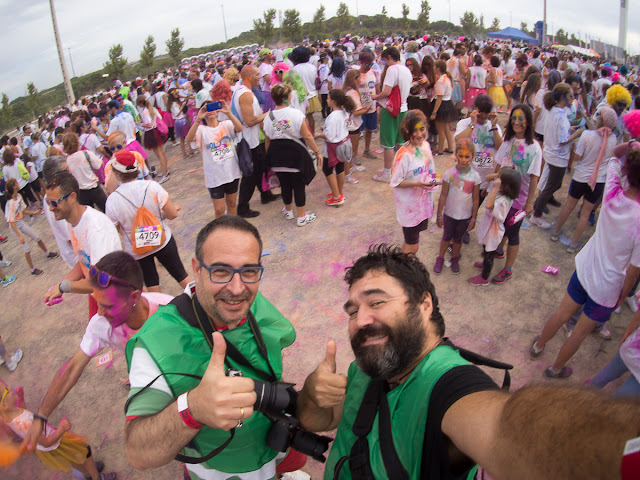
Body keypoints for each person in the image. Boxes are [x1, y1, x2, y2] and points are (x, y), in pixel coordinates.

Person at [297, 245, 640, 480]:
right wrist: (312, 394)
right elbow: (318, 419)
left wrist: (625, 451)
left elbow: (511, 430)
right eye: (353, 311)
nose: (360, 320)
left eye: (376, 302)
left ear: (425, 304)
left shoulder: (446, 385)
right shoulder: (364, 369)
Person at [124, 216, 308, 479]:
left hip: (272, 449)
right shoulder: (157, 342)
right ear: (196, 269)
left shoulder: (251, 303)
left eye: (249, 271)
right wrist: (193, 409)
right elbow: (137, 452)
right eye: (220, 271)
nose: (236, 289)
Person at [22, 251, 173, 451]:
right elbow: (71, 369)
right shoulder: (101, 325)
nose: (100, 313)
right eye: (97, 303)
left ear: (134, 297)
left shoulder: (170, 310)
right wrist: (41, 416)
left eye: (107, 306)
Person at [530, 149, 640, 378]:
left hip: (585, 270)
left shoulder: (612, 191)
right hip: (608, 289)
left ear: (629, 171)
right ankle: (555, 369)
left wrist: (629, 147)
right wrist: (623, 296)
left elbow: (613, 158)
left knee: (561, 314)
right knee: (578, 334)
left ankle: (538, 345)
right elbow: (633, 272)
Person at [105, 151, 190, 292]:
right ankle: (201, 305)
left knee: (152, 286)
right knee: (182, 277)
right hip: (163, 241)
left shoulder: (112, 201)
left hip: (136, 250)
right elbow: (173, 214)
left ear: (117, 174)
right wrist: (159, 217)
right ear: (137, 168)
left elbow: (114, 230)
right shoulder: (152, 187)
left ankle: (159, 313)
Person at [42, 172, 122, 318]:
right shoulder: (72, 222)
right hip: (99, 294)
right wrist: (61, 284)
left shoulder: (95, 229)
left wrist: (64, 287)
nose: (51, 208)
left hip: (118, 296)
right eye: (48, 202)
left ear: (72, 197)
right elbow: (84, 260)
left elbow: (99, 281)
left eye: (54, 202)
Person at [1, 380, 116, 480]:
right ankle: (97, 477)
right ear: (5, 404)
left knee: (72, 459)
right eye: (7, 390)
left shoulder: (7, 416)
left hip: (47, 442)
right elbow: (46, 443)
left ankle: (88, 473)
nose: (10, 388)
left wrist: (20, 397)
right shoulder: (26, 423)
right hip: (54, 443)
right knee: (85, 449)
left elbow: (22, 410)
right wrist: (61, 429)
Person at [549, 106, 618, 252]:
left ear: (600, 119)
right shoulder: (613, 139)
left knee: (568, 206)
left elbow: (578, 156)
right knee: (585, 214)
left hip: (581, 177)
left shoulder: (587, 135)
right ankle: (573, 244)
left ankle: (555, 233)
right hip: (598, 181)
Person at [491, 105, 542, 284]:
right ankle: (498, 250)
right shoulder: (507, 142)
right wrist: (489, 187)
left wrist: (529, 203)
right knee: (501, 223)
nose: (516, 122)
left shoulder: (534, 148)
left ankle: (508, 269)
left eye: (521, 119)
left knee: (513, 233)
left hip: (519, 199)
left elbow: (534, 177)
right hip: (502, 196)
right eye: (514, 118)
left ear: (528, 122)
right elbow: (497, 165)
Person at [263, 83, 322, 227]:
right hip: (295, 155)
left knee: (285, 184)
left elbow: (267, 140)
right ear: (287, 98)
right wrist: (317, 151)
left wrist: (269, 158)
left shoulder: (268, 117)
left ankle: (288, 210)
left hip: (277, 156)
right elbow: (307, 136)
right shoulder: (296, 114)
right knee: (298, 185)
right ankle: (301, 216)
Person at [530, 83, 584, 229]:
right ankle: (537, 214)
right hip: (557, 156)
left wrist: (571, 128)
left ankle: (537, 206)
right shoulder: (559, 115)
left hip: (551, 153)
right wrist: (577, 134)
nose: (573, 99)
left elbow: (560, 131)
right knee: (553, 185)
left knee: (548, 183)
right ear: (562, 98)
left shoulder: (554, 111)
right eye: (571, 96)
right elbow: (563, 139)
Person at [232, 65, 279, 218]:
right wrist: (268, 114)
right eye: (258, 74)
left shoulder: (244, 91)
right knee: (250, 175)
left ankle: (266, 194)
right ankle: (243, 207)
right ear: (249, 76)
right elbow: (250, 120)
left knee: (260, 167)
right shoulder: (245, 94)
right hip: (247, 141)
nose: (261, 77)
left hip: (252, 139)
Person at [186, 101, 244, 218]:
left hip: (231, 171)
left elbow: (239, 128)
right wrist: (198, 119)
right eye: (206, 109)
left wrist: (229, 113)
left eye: (212, 108)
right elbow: (189, 138)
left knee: (232, 203)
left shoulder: (226, 124)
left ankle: (232, 229)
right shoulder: (201, 129)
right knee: (219, 209)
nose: (210, 111)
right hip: (214, 176)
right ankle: (220, 232)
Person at [390, 110, 437, 254]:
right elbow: (395, 182)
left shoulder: (426, 146)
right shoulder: (403, 154)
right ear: (406, 130)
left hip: (423, 204)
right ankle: (406, 272)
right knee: (412, 246)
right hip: (409, 208)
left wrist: (433, 183)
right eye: (414, 130)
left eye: (421, 129)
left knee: (410, 242)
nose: (418, 134)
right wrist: (417, 184)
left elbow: (431, 170)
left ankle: (401, 264)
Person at [434, 138, 481, 275]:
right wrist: (439, 214)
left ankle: (455, 258)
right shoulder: (449, 174)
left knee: (458, 239)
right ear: (456, 155)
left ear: (472, 157)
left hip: (464, 216)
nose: (464, 159)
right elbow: (443, 195)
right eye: (460, 156)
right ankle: (440, 258)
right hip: (449, 214)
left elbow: (476, 199)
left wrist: (473, 218)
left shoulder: (475, 177)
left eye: (467, 156)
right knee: (446, 237)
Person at [468, 168, 522, 286]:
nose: (496, 179)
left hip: (493, 231)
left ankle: (484, 277)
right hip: (488, 227)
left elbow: (488, 205)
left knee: (489, 253)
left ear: (504, 185)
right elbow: (487, 178)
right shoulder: (502, 192)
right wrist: (498, 175)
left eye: (499, 179)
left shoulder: (503, 200)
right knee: (485, 249)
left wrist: (496, 187)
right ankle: (485, 265)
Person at [371, 47, 412, 182]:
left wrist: (376, 96)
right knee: (401, 141)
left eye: (384, 60)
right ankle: (399, 170)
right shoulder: (406, 70)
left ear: (389, 57)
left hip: (390, 110)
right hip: (403, 108)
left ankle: (387, 173)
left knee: (388, 143)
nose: (384, 63)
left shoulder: (392, 70)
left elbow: (387, 91)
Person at [4, 179, 57, 276]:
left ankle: (47, 253)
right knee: (26, 248)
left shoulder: (19, 197)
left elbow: (22, 210)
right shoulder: (11, 203)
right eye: (16, 184)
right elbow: (11, 222)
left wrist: (34, 212)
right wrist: (19, 236)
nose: (18, 184)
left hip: (20, 221)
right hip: (14, 226)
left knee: (37, 237)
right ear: (13, 188)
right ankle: (32, 270)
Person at [315, 89, 355, 207]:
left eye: (328, 98)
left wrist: (318, 135)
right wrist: (326, 128)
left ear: (333, 101)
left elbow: (329, 136)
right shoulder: (345, 112)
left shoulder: (332, 117)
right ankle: (338, 192)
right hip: (344, 143)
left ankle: (337, 197)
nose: (326, 100)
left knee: (327, 170)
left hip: (333, 148)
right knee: (339, 168)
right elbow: (348, 126)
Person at [62, 133, 108, 211]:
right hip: (94, 187)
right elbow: (97, 165)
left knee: (88, 214)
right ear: (77, 143)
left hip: (81, 192)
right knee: (106, 209)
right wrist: (101, 161)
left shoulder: (66, 161)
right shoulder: (86, 154)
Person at [430, 60, 457, 156]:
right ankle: (450, 148)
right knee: (446, 128)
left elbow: (439, 98)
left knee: (440, 130)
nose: (433, 68)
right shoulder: (446, 78)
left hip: (442, 106)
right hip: (447, 104)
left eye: (434, 66)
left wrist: (434, 112)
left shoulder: (441, 81)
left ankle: (440, 151)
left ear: (438, 68)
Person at [357, 51, 380, 161]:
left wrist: (379, 100)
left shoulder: (374, 73)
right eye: (367, 64)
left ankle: (367, 150)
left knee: (370, 130)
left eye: (371, 64)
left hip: (371, 108)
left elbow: (377, 87)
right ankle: (354, 154)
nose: (369, 66)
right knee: (356, 132)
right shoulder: (355, 74)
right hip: (359, 109)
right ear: (360, 62)